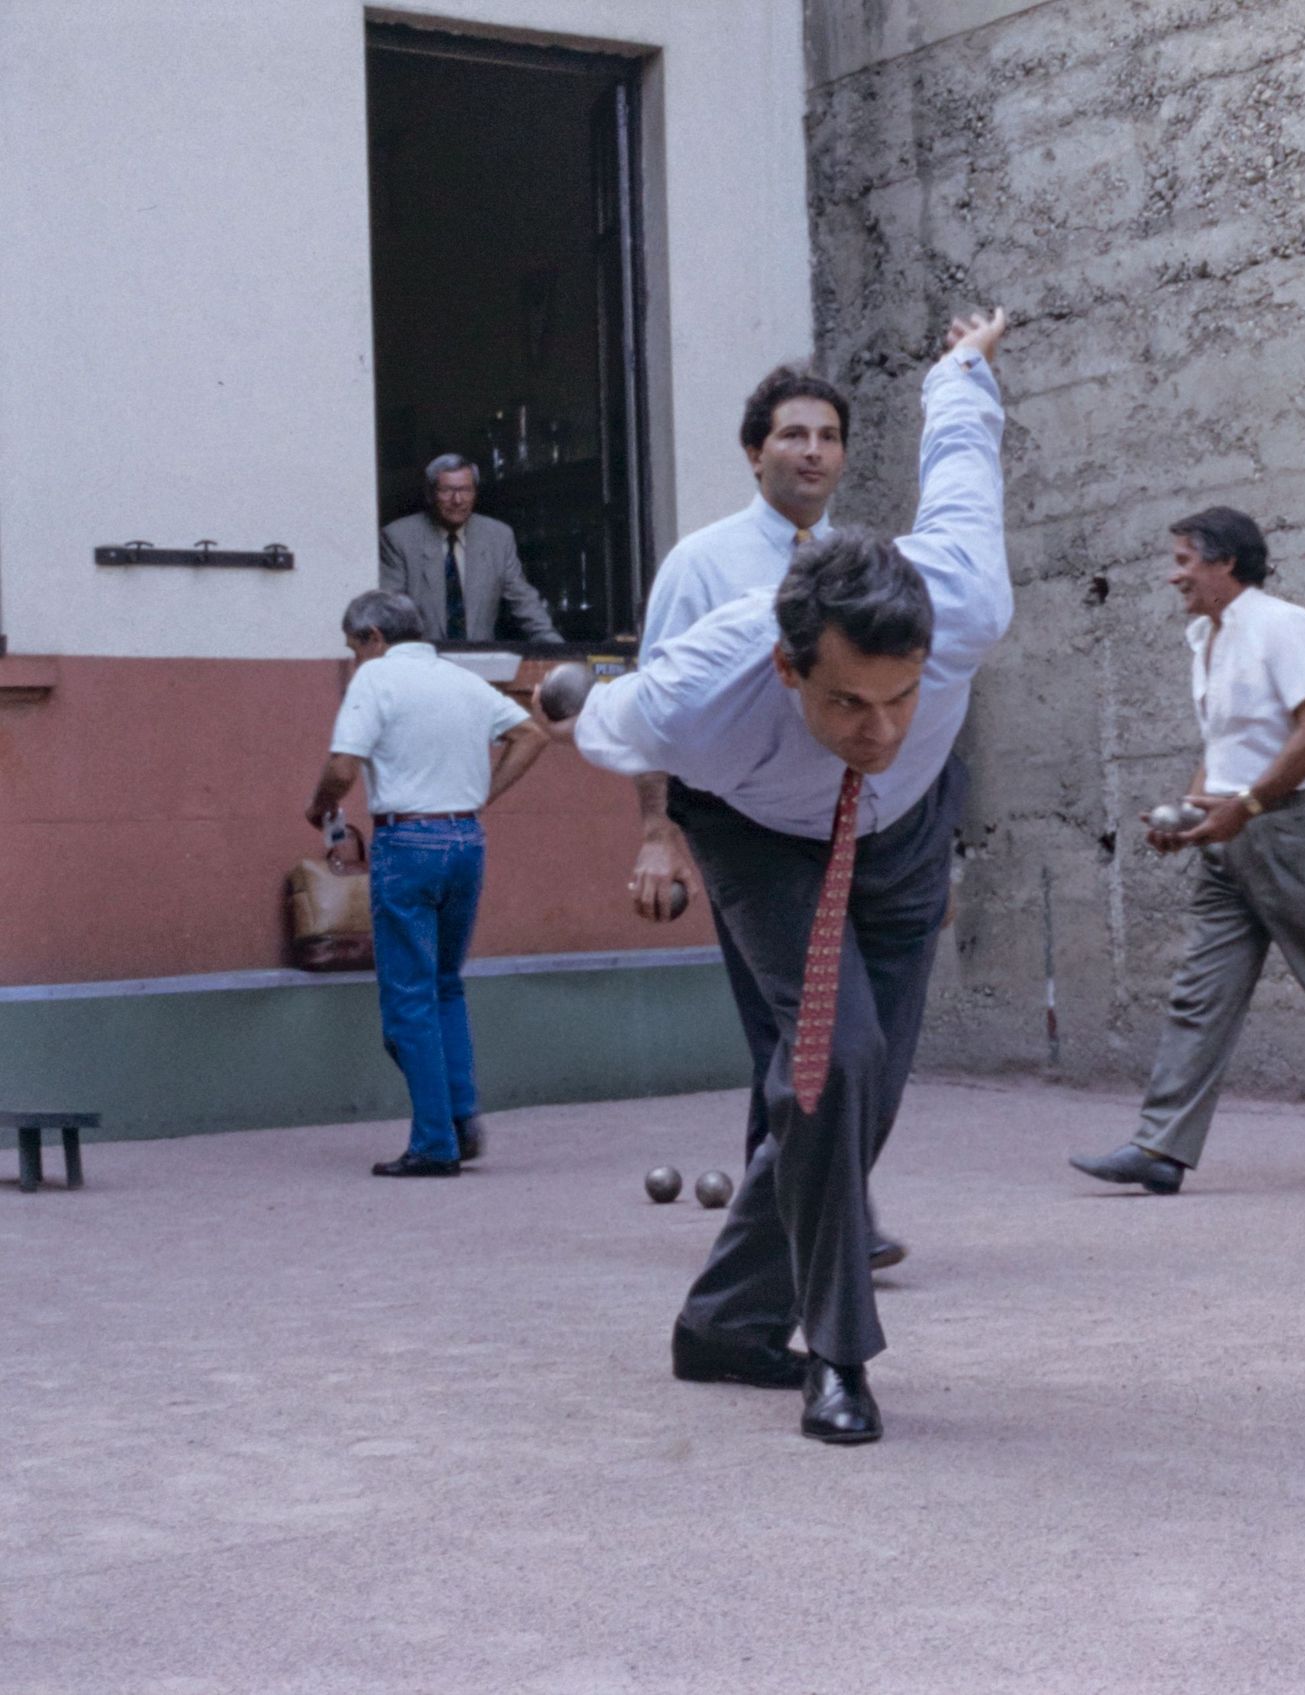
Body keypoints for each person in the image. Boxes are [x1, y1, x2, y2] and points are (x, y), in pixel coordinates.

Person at [556, 308, 1012, 1445]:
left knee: (863, 1099)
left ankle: (720, 1322)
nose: (878, 726)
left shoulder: (963, 598)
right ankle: (838, 1355)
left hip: (903, 838)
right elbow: (606, 720)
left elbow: (960, 458)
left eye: (902, 697)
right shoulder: (702, 684)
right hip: (759, 834)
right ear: (785, 666)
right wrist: (571, 706)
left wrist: (963, 366)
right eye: (847, 703)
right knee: (831, 1061)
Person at [624, 365, 914, 1260]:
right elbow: (653, 707)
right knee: (795, 1028)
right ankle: (813, 1222)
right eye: (793, 435)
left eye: (828, 437)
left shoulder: (861, 561)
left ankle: (801, 1213)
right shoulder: (703, 563)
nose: (813, 451)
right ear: (755, 454)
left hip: (854, 829)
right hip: (749, 836)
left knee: (828, 1034)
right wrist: (656, 835)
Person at [1069, 507, 1305, 1197]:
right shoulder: (1203, 633)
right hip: (1231, 837)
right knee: (1198, 997)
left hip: (1290, 830)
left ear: (1224, 563)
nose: (1173, 575)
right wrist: (1189, 810)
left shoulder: (1282, 624)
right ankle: (1160, 1146)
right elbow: (1223, 749)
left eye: (1183, 560)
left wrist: (1248, 808)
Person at [305, 590, 549, 1176]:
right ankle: (460, 1118)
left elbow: (342, 766)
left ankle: (435, 1140)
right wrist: (480, 798)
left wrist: (320, 808)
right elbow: (532, 736)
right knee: (445, 986)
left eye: (354, 648)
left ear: (374, 638)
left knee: (408, 1001)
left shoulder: (375, 680)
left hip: (407, 844)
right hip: (465, 841)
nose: (355, 660)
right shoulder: (460, 680)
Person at [379, 454, 562, 644]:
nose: (457, 500)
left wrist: (560, 651)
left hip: (480, 663)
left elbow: (524, 603)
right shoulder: (398, 537)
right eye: (447, 490)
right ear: (429, 493)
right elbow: (390, 614)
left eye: (466, 490)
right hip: (421, 665)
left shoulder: (498, 536)